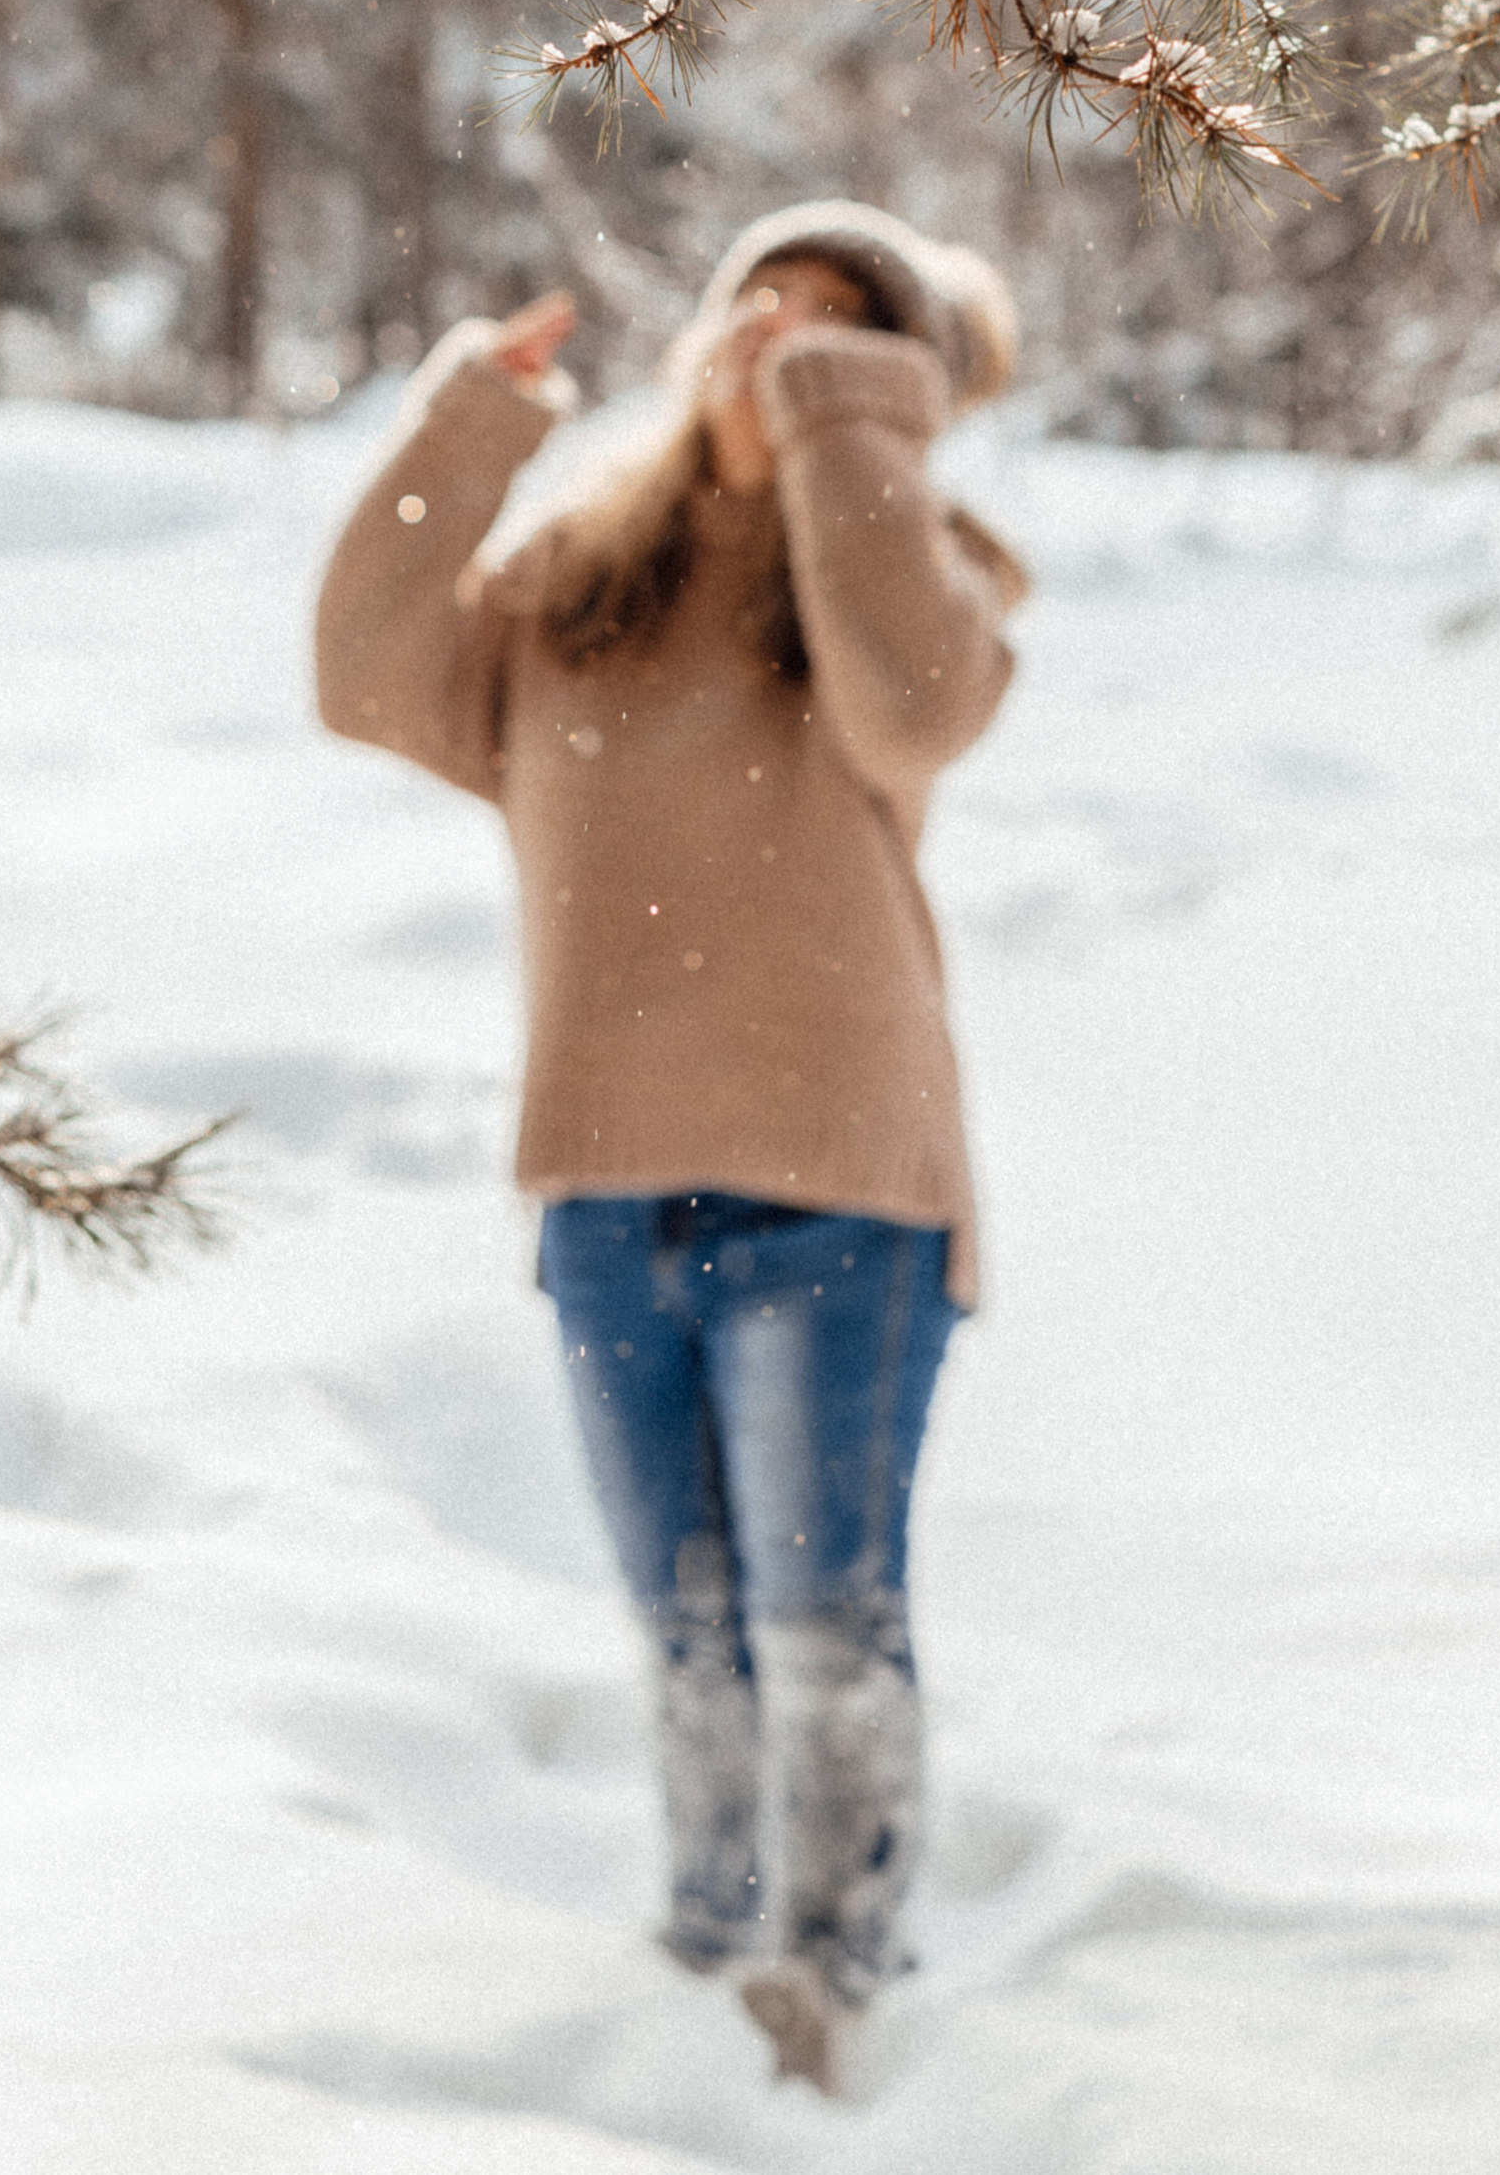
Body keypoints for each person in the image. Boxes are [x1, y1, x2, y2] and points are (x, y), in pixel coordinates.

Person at [314, 200, 1024, 2094]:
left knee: (819, 1626)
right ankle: (708, 1955)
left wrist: (843, 430)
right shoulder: (582, 584)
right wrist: (473, 423)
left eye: (838, 326)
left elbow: (920, 701)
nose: (775, 334)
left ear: (892, 389)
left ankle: (838, 1982)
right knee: (686, 1630)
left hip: (841, 1188)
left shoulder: (906, 573)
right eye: (758, 304)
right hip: (607, 1186)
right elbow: (368, 671)